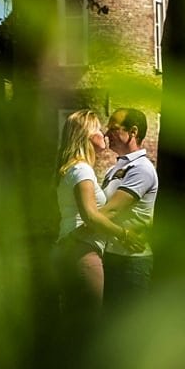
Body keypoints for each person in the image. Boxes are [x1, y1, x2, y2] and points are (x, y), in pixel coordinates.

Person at [53, 109, 131, 330]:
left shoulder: (71, 169)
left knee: (75, 325)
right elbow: (90, 215)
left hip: (71, 248)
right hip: (83, 251)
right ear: (86, 135)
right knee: (88, 328)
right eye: (97, 128)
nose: (104, 133)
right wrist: (123, 234)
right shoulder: (82, 170)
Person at [99, 108, 159, 310]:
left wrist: (77, 226)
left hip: (131, 263)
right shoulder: (114, 169)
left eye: (113, 129)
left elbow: (110, 211)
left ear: (133, 132)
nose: (107, 135)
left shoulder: (141, 169)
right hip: (113, 257)